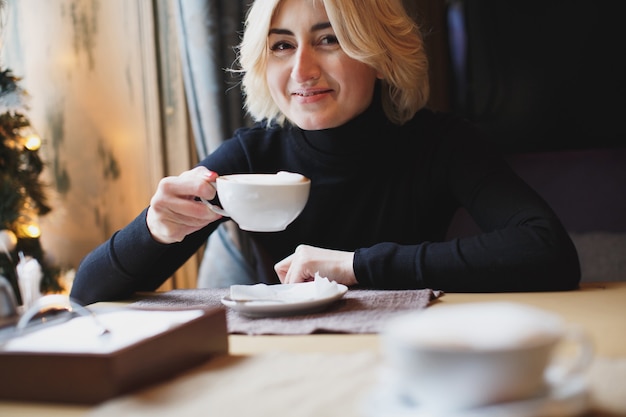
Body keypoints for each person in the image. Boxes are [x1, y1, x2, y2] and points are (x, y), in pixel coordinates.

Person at [70, 0, 580, 305]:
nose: (302, 71)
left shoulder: (442, 143)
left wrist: (356, 266)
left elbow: (548, 252)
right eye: (282, 45)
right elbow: (86, 293)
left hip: (412, 355)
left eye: (329, 39)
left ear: (378, 53)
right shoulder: (250, 158)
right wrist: (154, 231)